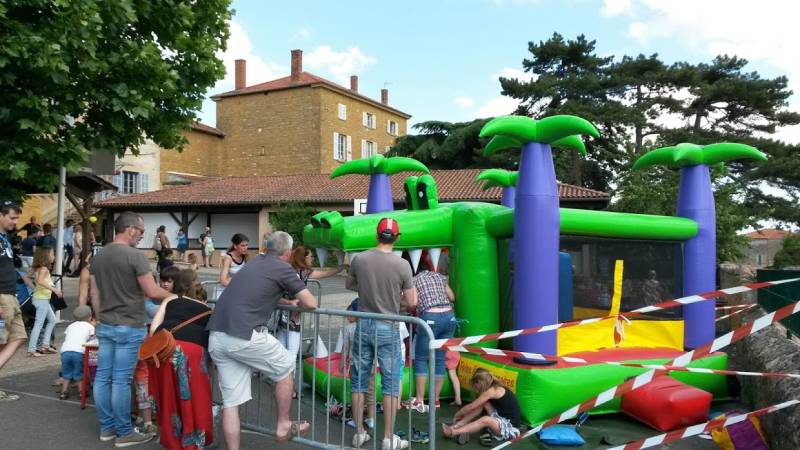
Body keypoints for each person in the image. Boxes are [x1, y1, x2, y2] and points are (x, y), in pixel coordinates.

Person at [207, 231, 316, 450]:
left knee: (231, 402)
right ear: (288, 252)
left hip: (217, 334)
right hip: (243, 334)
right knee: (285, 367)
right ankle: (283, 424)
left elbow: (259, 291)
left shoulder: (256, 262)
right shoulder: (283, 268)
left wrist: (284, 300)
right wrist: (297, 303)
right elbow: (311, 303)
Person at [90, 211, 172, 446]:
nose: (142, 237)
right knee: (121, 380)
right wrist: (177, 297)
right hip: (129, 325)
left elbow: (94, 294)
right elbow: (153, 292)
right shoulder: (135, 256)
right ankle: (124, 432)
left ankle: (107, 428)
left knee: (104, 378)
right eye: (141, 232)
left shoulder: (98, 256)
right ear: (130, 229)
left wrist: (100, 317)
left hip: (105, 324)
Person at [346, 218, 417, 450]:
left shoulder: (360, 259)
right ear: (396, 238)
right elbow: (413, 302)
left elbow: (350, 285)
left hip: (364, 324)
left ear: (377, 235)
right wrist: (394, 300)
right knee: (390, 383)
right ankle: (388, 438)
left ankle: (359, 433)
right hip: (389, 325)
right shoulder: (403, 265)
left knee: (358, 380)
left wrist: (370, 288)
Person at [148, 269, 214, 450]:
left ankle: (172, 441)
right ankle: (194, 441)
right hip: (194, 350)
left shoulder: (171, 300)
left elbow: (154, 329)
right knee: (195, 396)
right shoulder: (207, 309)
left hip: (165, 348)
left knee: (169, 395)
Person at [277, 246, 346, 360]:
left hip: (284, 317)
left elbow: (324, 274)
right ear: (303, 258)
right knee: (291, 352)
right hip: (292, 318)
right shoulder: (298, 273)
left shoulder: (298, 271)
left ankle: (281, 375)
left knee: (281, 351)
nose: (312, 259)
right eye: (310, 256)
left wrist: (339, 268)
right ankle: (289, 375)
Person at [408, 260, 456, 412]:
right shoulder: (439, 277)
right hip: (449, 316)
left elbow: (413, 303)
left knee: (422, 357)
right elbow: (452, 297)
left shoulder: (413, 280)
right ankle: (435, 399)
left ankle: (420, 400)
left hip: (430, 317)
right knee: (440, 358)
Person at [442, 368, 521, 445]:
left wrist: (457, 414)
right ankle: (458, 426)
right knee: (482, 404)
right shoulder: (493, 387)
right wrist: (460, 422)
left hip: (510, 428)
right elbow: (476, 409)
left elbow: (470, 407)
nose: (476, 388)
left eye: (476, 386)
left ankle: (453, 433)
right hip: (501, 419)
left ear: (480, 383)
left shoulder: (492, 390)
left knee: (485, 419)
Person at [0, 200, 26, 401]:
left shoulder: (5, 237)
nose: (15, 222)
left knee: (18, 336)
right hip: (1, 297)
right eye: (12, 218)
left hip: (10, 295)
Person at [27, 246, 61, 357]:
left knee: (52, 320)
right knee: (39, 323)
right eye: (52, 254)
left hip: (41, 298)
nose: (54, 256)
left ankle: (45, 345)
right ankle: (31, 350)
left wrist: (34, 288)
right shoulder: (44, 269)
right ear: (46, 256)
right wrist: (54, 289)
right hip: (41, 300)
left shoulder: (37, 268)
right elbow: (41, 281)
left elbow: (26, 277)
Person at [59, 305, 95, 400]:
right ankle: (81, 392)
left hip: (65, 351)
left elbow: (68, 336)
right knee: (79, 372)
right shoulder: (90, 326)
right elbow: (92, 340)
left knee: (66, 372)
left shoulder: (70, 326)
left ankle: (63, 392)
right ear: (90, 317)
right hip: (79, 352)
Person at [214, 233, 249, 300]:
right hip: (225, 293)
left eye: (247, 245)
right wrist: (238, 287)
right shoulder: (228, 258)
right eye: (242, 245)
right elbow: (223, 280)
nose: (245, 248)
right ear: (235, 246)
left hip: (237, 292)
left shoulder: (245, 256)